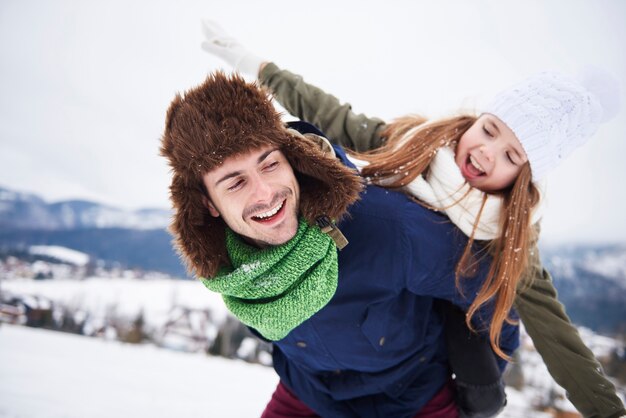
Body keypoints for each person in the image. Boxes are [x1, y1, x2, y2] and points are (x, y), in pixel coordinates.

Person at [199, 20, 626, 418]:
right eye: (490, 130)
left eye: (511, 156)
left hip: (413, 370)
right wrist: (254, 65)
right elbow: (328, 113)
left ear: (522, 176)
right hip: (332, 345)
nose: (485, 152)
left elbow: (557, 337)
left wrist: (605, 409)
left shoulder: (509, 235)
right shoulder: (411, 146)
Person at [160, 71, 519, 417]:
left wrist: (485, 377)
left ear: (291, 157)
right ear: (209, 204)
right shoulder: (226, 263)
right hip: (309, 391)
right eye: (235, 183)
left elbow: (486, 287)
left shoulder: (388, 227)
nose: (265, 193)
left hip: (409, 395)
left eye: (269, 165)